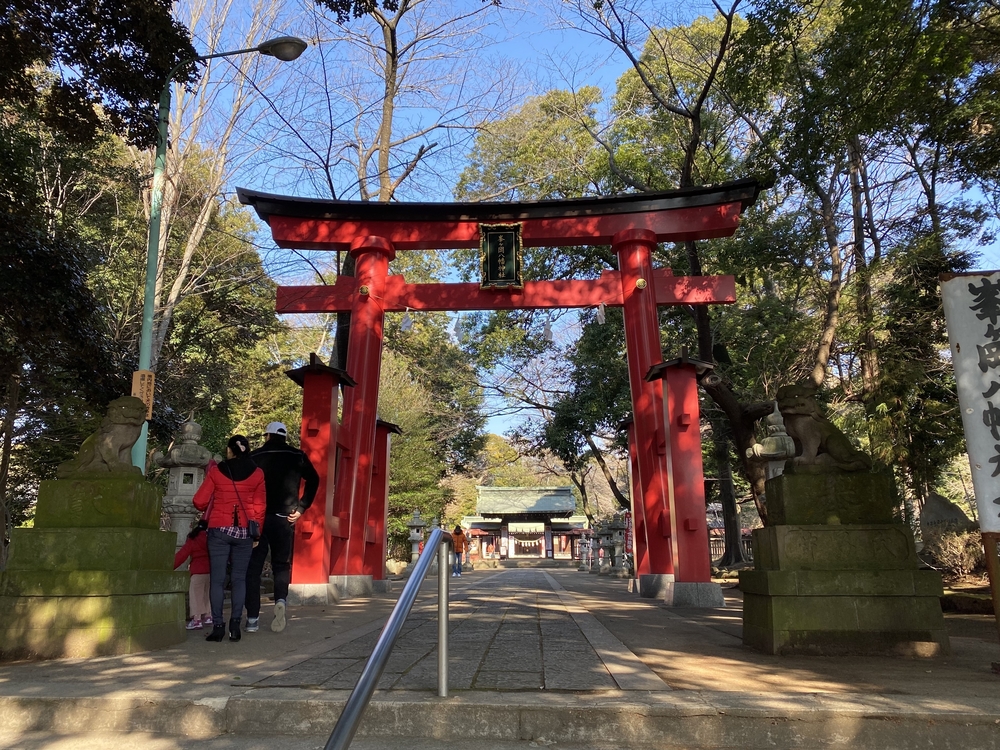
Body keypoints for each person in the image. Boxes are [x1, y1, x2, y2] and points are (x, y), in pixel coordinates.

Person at [244, 421, 319, 633]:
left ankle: (252, 619)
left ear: (267, 436)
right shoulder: (297, 455)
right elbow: (314, 479)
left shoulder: (255, 457)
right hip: (285, 517)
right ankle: (281, 601)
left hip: (258, 519)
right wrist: (302, 507)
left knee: (253, 568)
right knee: (281, 564)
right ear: (284, 437)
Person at [192, 435, 266, 643]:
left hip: (219, 530)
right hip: (244, 532)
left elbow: (199, 501)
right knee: (239, 579)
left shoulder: (217, 471)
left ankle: (218, 627)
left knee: (217, 580)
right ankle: (235, 626)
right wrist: (257, 533)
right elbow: (260, 507)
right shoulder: (257, 473)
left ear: (230, 450)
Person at [173, 519, 210, 630]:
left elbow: (182, 555)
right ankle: (209, 616)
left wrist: (170, 566)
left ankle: (197, 620)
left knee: (195, 596)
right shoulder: (211, 538)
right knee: (209, 595)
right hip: (211, 571)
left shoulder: (193, 539)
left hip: (197, 571)